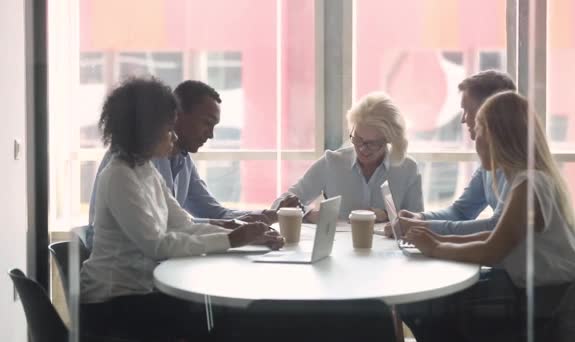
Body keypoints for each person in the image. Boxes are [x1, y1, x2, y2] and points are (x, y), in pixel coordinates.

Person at [79, 77, 284, 341]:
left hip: (140, 293)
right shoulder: (119, 176)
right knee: (221, 324)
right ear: (147, 130)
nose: (173, 135)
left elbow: (184, 223)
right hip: (112, 303)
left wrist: (246, 236)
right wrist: (232, 239)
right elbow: (158, 245)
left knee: (228, 320)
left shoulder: (145, 170)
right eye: (168, 128)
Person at [400, 91, 575, 341]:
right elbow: (496, 235)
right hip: (549, 295)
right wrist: (430, 237)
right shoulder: (529, 178)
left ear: (495, 137)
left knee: (423, 306)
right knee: (430, 304)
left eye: (478, 131)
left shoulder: (529, 183)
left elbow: (493, 250)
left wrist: (436, 246)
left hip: (548, 303)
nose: (474, 140)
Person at [86, 80, 297, 246]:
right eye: (207, 124)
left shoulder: (171, 162)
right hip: (129, 279)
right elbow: (159, 239)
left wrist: (261, 220)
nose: (211, 135)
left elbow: (199, 217)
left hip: (148, 268)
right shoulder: (127, 170)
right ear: (176, 116)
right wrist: (232, 235)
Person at [388, 70, 516, 237]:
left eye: (467, 110)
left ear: (489, 112)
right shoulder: (490, 162)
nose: (463, 120)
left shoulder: (518, 168)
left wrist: (422, 227)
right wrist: (419, 218)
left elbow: (495, 228)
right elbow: (461, 212)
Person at [273, 92, 423, 222]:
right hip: (339, 250)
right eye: (357, 139)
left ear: (389, 140)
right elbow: (280, 203)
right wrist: (308, 214)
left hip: (389, 253)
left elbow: (419, 221)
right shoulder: (332, 163)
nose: (363, 149)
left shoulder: (407, 168)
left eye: (372, 144)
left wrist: (388, 216)